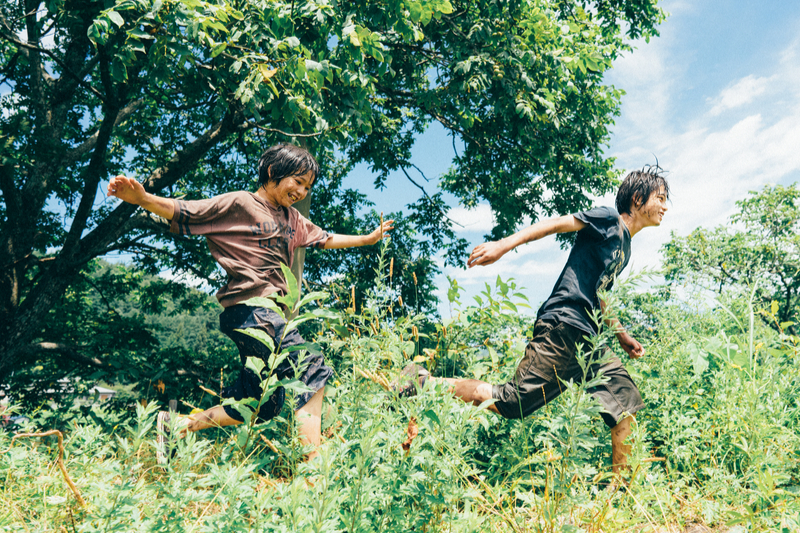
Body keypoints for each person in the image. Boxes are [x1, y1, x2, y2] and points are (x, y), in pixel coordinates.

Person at [107, 143, 393, 463]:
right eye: (297, 181)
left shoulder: (293, 219)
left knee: (261, 404)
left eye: (308, 187)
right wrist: (143, 199)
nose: (301, 191)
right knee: (311, 370)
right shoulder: (242, 202)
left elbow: (324, 238)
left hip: (262, 316)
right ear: (273, 172)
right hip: (251, 311)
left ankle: (178, 425)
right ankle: (313, 478)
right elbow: (189, 210)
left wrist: (368, 239)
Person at [400, 166, 669, 475]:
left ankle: (622, 498)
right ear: (637, 199)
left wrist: (621, 335)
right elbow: (557, 224)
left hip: (590, 339)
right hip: (564, 327)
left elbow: (600, 294)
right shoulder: (608, 219)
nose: (664, 207)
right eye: (660, 198)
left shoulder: (625, 246)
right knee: (511, 403)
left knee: (626, 405)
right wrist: (503, 245)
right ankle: (422, 382)